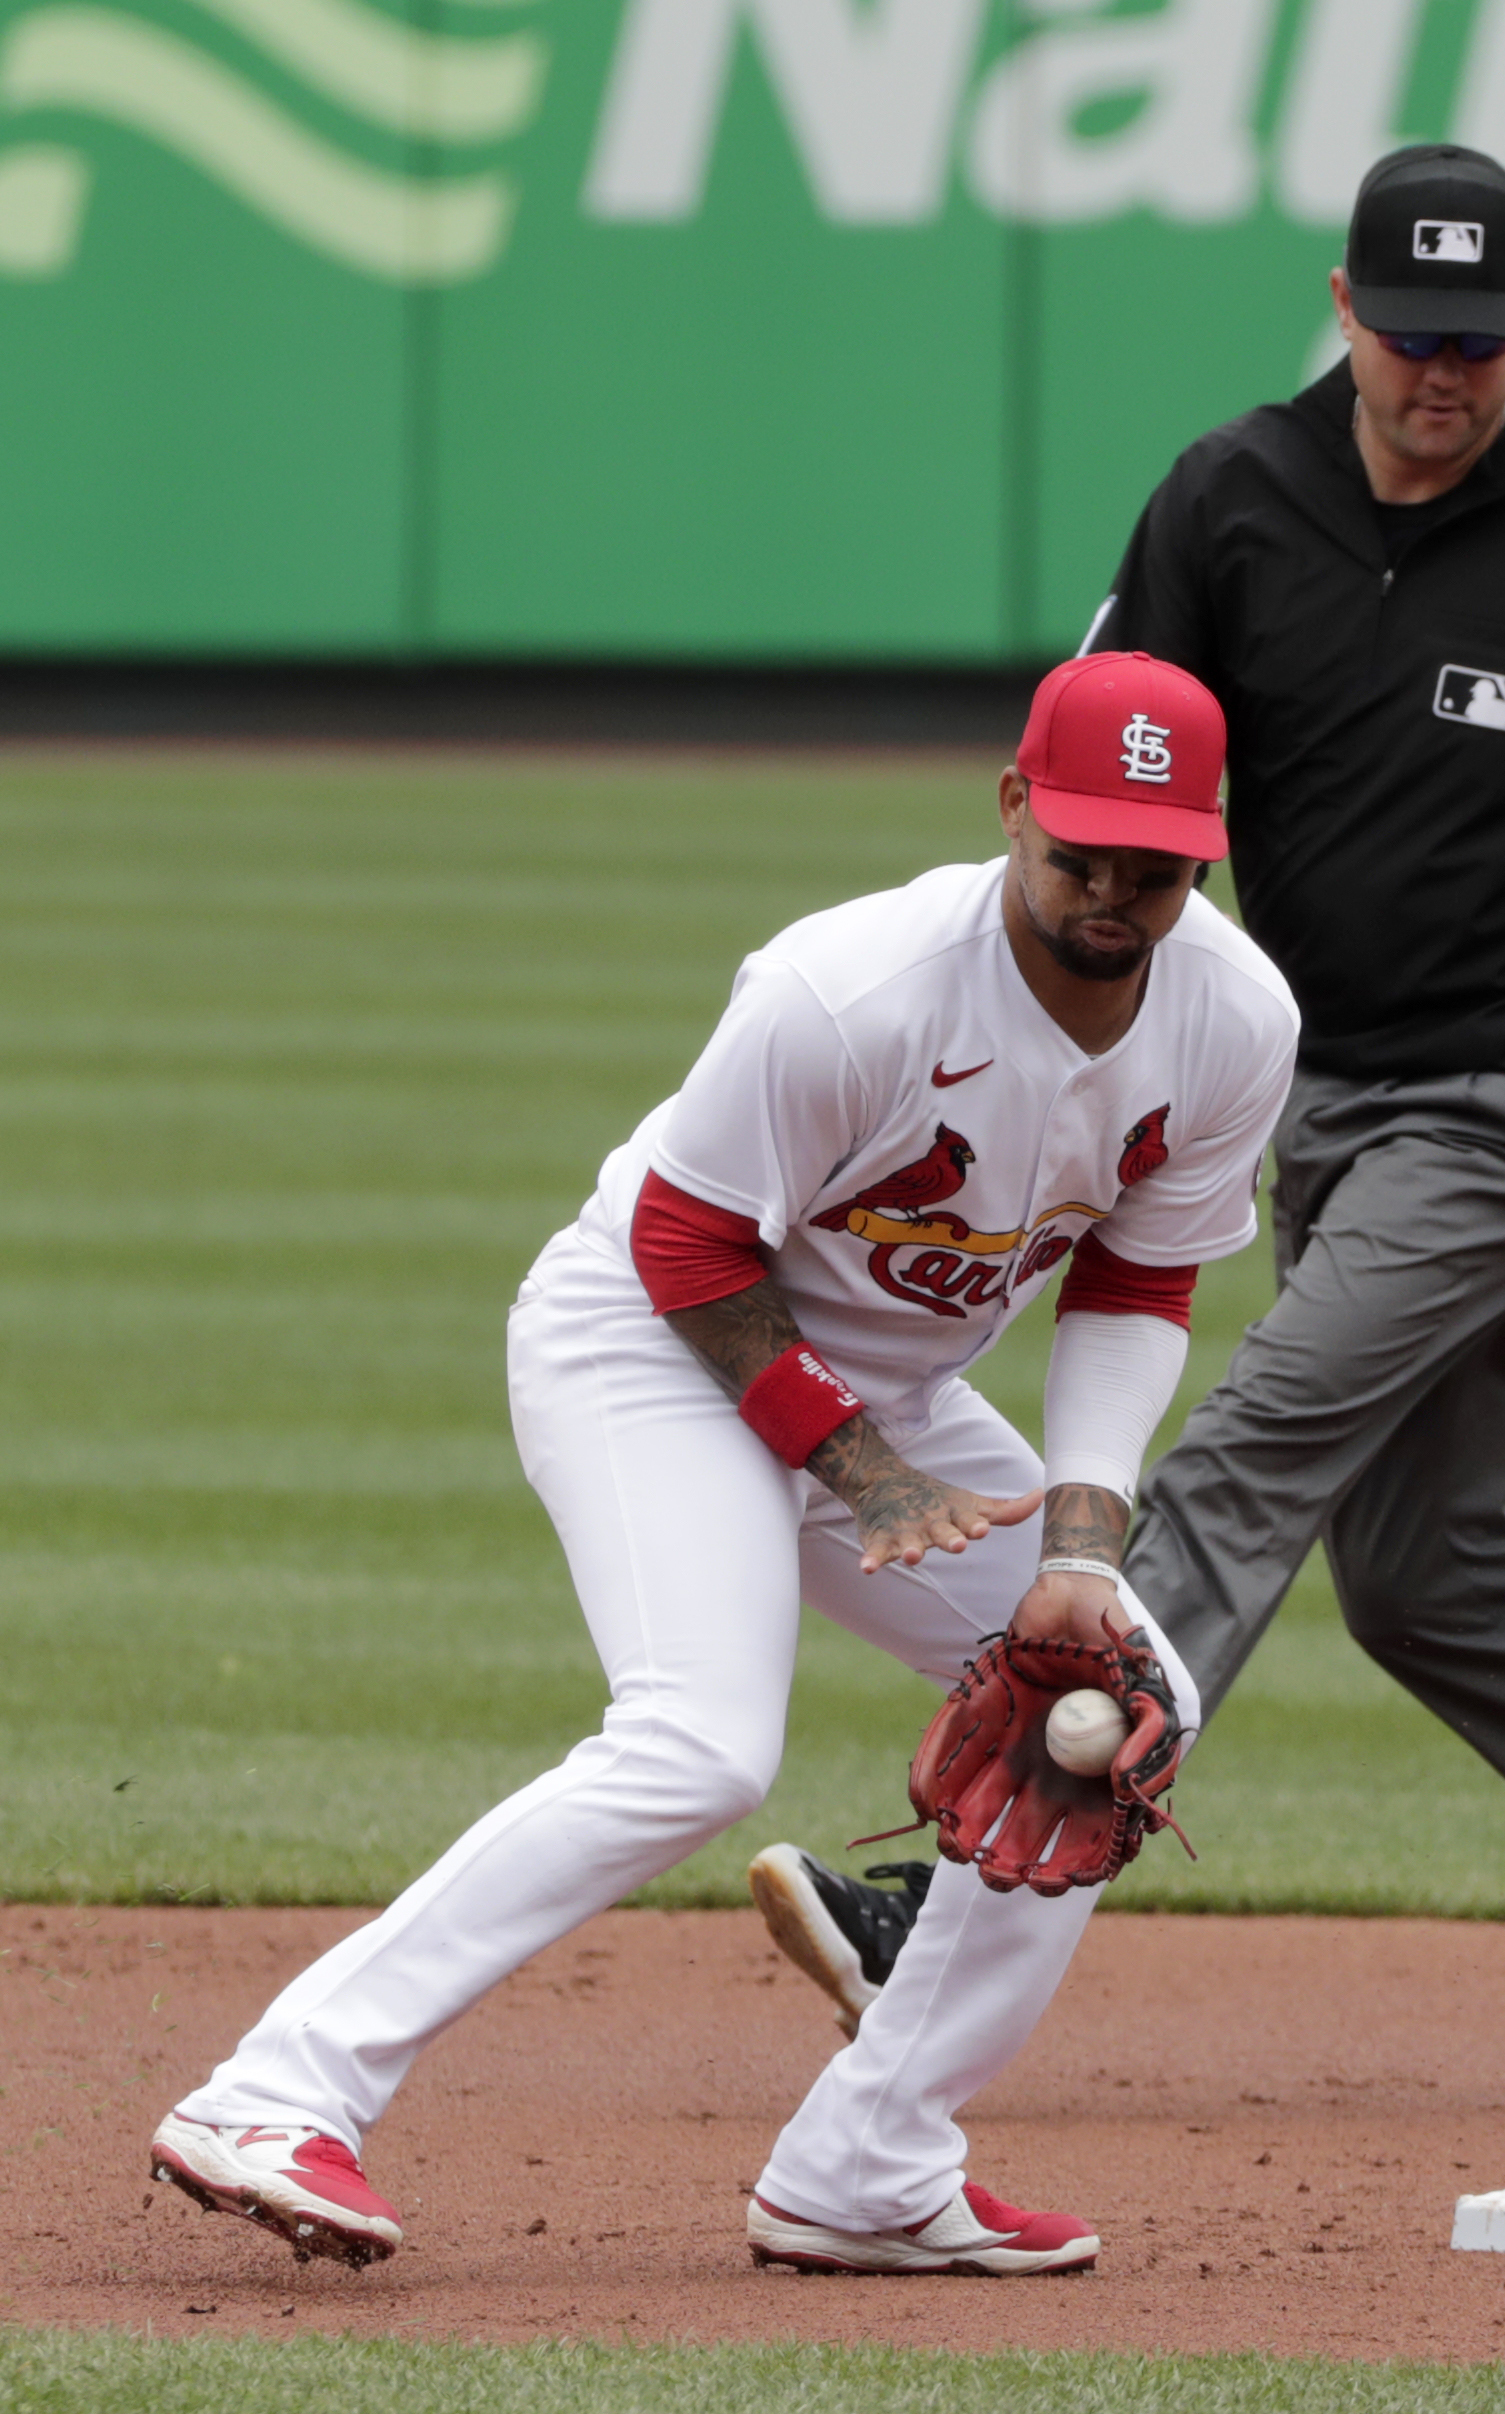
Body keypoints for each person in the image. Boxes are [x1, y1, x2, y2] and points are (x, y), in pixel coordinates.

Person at [750, 142, 1505, 2109]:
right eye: (1411, 335)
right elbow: (1103, 783)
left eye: (1480, 343)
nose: (1442, 375)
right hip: (1325, 1114)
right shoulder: (1233, 501)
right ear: (1343, 306)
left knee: (1234, 1466)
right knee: (1436, 1578)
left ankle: (959, 1903)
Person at [151, 654, 1299, 2276]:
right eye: (1080, 851)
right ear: (1011, 807)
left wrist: (1086, 1544)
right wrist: (860, 1466)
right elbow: (683, 1235)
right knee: (698, 1740)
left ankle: (868, 2162)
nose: (1113, 891)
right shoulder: (860, 984)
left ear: (1209, 848)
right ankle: (273, 2090)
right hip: (650, 1339)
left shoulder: (1234, 1017)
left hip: (880, 1387)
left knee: (1110, 1711)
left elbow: (1135, 1279)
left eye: (1155, 864)